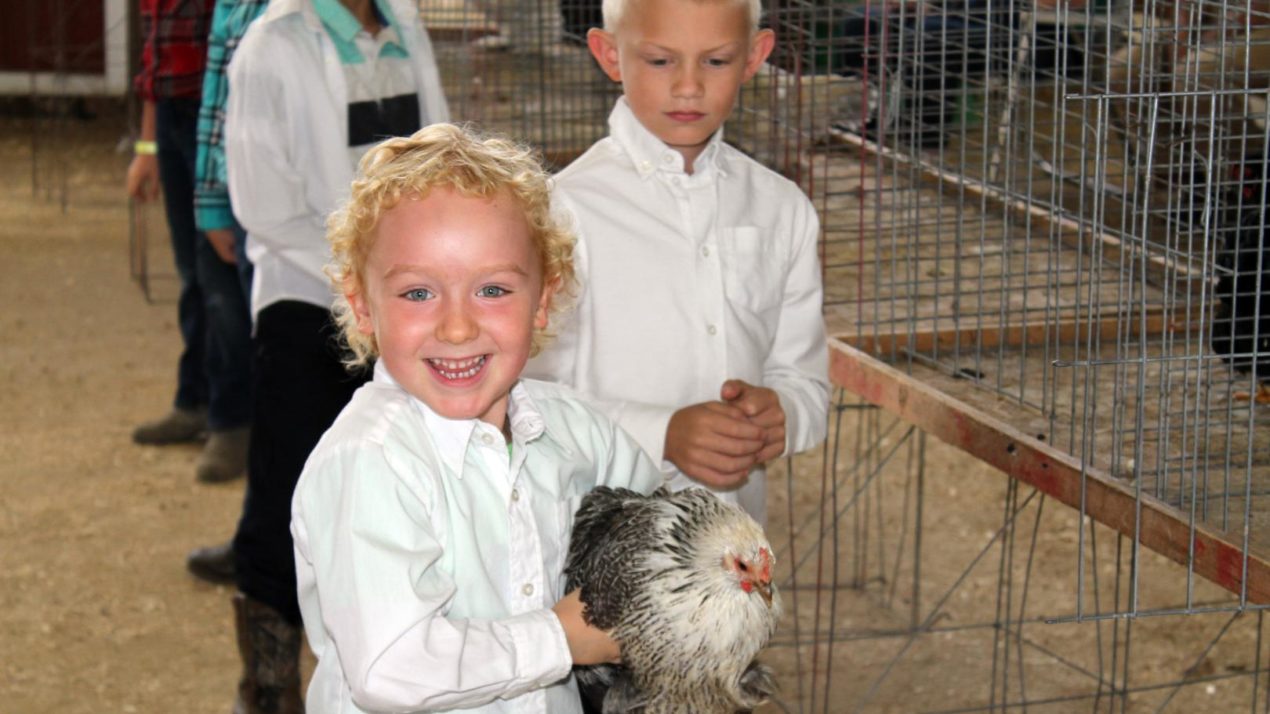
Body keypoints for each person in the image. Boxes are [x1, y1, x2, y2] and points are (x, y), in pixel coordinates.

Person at [292, 123, 665, 713]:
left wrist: (718, 554)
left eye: (493, 290)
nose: (458, 327)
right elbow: (391, 668)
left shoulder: (572, 429)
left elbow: (662, 504)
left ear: (544, 297)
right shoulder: (370, 463)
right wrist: (559, 638)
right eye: (418, 294)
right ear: (363, 306)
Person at [223, 0, 449, 710]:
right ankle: (268, 683)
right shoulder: (272, 44)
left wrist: (412, 288)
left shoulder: (404, 26)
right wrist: (366, 285)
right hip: (306, 296)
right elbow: (264, 207)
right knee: (287, 485)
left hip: (408, 304)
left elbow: (439, 157)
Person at [525, 0, 831, 523]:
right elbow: (526, 399)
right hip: (600, 543)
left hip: (735, 546)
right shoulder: (562, 213)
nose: (688, 86)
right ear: (609, 54)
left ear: (755, 56)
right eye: (661, 61)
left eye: (715, 61)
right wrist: (661, 432)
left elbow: (805, 380)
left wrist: (785, 414)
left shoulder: (783, 208)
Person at [127, 0, 254, 485]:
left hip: (220, 119)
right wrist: (147, 148)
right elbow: (152, 69)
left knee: (221, 282)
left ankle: (233, 418)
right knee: (192, 274)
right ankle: (195, 398)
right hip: (177, 123)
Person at [185, 0, 270, 587]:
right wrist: (211, 197)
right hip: (248, 210)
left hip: (302, 218)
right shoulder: (233, 8)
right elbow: (216, 100)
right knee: (265, 374)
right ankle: (260, 537)